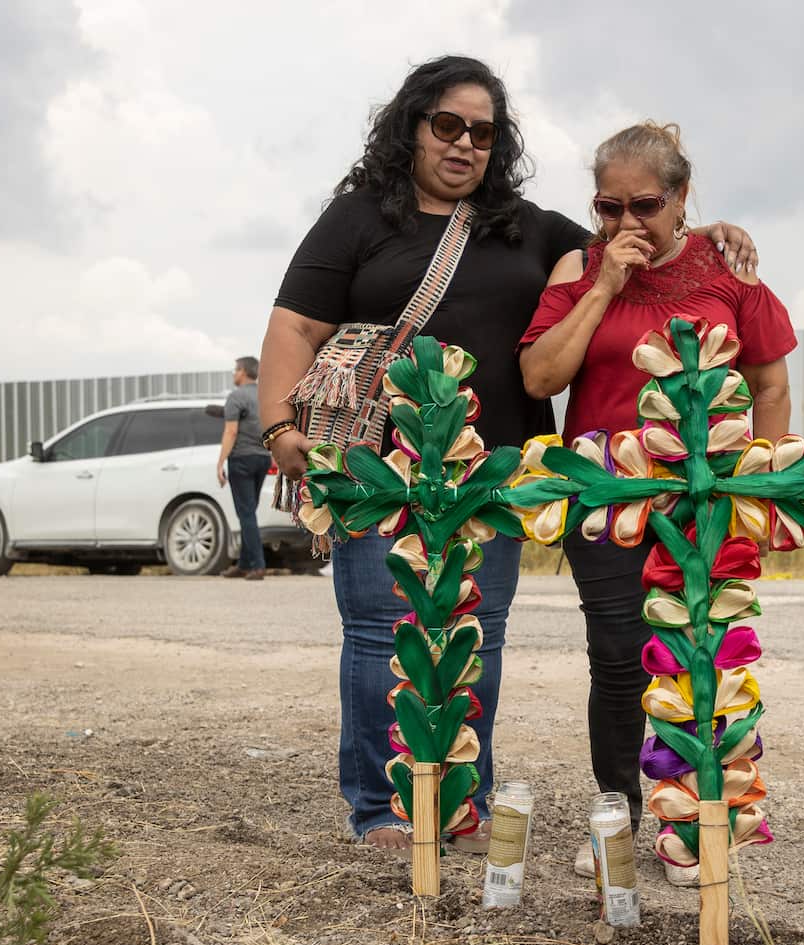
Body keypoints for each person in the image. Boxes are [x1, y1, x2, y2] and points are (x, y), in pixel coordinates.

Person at [258, 56, 759, 856]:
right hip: (376, 469)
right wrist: (280, 427)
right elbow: (294, 327)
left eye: (482, 132)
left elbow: (632, 231)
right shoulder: (358, 219)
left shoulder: (530, 227)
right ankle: (382, 808)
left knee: (475, 637)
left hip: (494, 473)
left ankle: (462, 802)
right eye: (447, 125)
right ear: (413, 127)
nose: (464, 145)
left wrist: (708, 233)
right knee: (382, 636)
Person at [518, 122, 796, 885]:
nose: (626, 224)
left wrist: (758, 493)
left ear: (681, 198)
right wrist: (604, 284)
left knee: (697, 656)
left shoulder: (729, 270)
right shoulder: (580, 269)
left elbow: (770, 385)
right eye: (609, 206)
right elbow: (541, 379)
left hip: (702, 504)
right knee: (616, 663)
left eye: (645, 204)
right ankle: (617, 818)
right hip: (607, 498)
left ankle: (693, 825)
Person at [218, 356, 273, 580]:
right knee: (248, 512)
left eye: (235, 370)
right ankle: (243, 563)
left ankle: (258, 566)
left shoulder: (236, 397)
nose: (233, 374)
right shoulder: (264, 395)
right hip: (263, 458)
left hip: (241, 459)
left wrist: (220, 462)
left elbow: (230, 432)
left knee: (246, 512)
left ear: (242, 372)